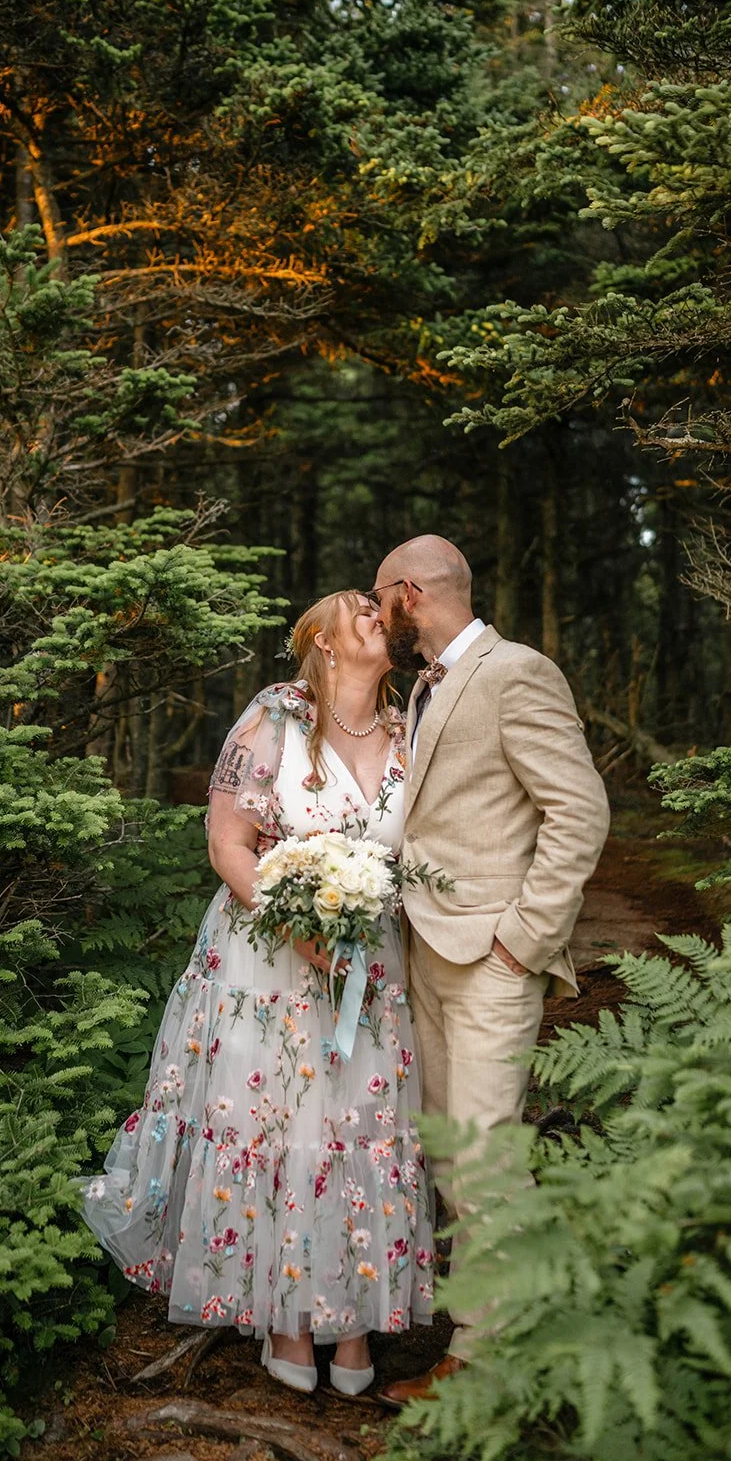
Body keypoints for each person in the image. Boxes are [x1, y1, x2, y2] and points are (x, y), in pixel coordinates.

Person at [79, 591, 434, 1397]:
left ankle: (349, 1323)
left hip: (369, 964)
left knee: (359, 1122)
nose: (379, 613)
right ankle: (284, 1318)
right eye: (360, 609)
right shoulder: (276, 719)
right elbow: (227, 841)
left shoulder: (412, 727)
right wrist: (298, 925)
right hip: (268, 956)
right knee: (279, 1125)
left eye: (382, 607)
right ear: (322, 640)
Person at [366, 535, 609, 1404]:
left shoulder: (515, 673)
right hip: (424, 951)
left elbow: (578, 811)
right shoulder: (425, 688)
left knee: (484, 1157)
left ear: (409, 594)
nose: (377, 614)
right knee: (445, 1151)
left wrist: (524, 937)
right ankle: (483, 1324)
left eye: (379, 598)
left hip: (492, 959)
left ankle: (485, 1365)